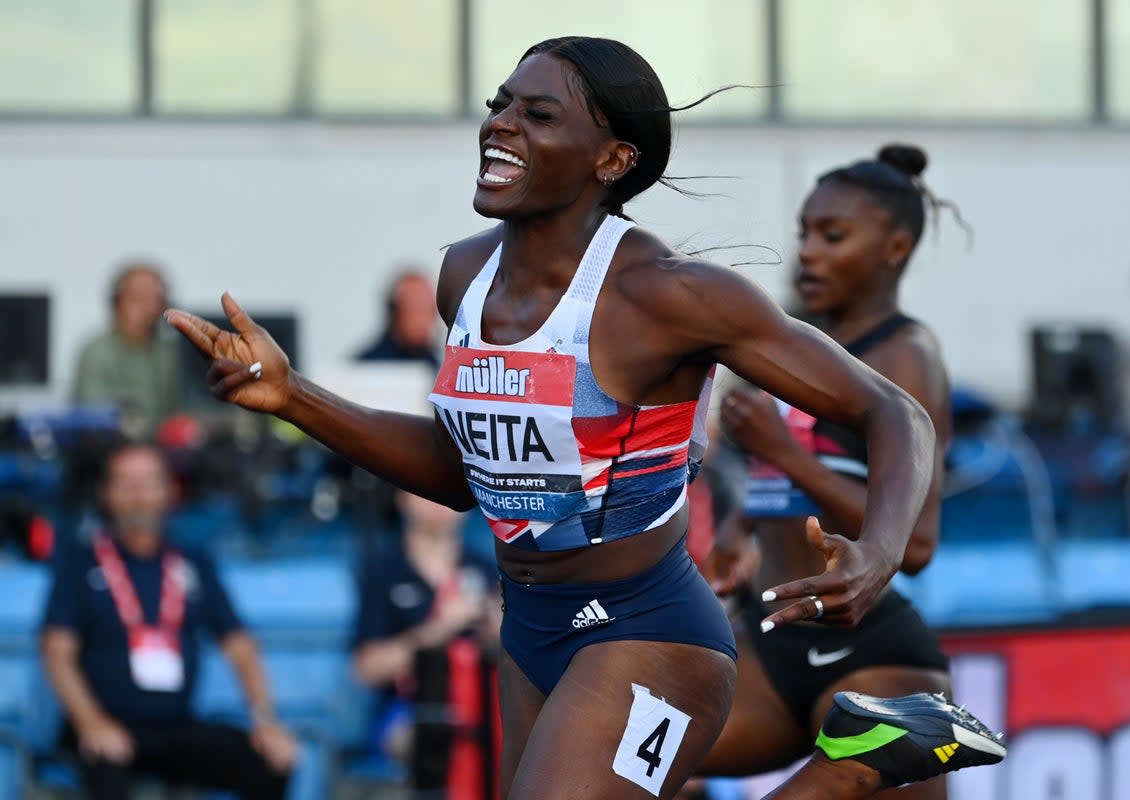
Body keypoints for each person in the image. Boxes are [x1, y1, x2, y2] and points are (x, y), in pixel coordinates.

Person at [167, 37, 1004, 799]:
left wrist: (882, 550)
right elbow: (465, 478)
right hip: (530, 630)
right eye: (499, 104)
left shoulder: (665, 293)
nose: (500, 125)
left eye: (537, 114)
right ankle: (865, 755)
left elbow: (894, 412)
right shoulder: (464, 276)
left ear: (612, 158)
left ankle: (858, 765)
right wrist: (294, 397)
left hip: (649, 631)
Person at [697, 145, 959, 800]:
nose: (809, 252)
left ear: (894, 247)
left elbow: (917, 544)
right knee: (617, 768)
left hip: (877, 657)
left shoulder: (905, 356)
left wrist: (782, 452)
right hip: (773, 643)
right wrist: (741, 521)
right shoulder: (807, 344)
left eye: (832, 236)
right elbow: (794, 472)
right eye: (805, 234)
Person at [40, 442, 296, 799]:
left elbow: (240, 646)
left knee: (270, 761)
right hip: (102, 723)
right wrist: (91, 722)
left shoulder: (193, 563)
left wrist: (266, 722)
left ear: (169, 491)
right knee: (105, 765)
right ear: (106, 493)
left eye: (148, 483)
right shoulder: (78, 564)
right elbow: (57, 652)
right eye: (126, 483)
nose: (138, 496)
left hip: (175, 726)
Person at [352, 491, 501, 797]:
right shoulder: (384, 571)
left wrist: (501, 631)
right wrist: (440, 628)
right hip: (406, 708)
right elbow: (366, 669)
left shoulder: (486, 569)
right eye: (424, 491)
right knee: (424, 738)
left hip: (483, 703)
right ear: (401, 498)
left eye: (444, 488)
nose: (439, 502)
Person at [72, 261, 181, 441]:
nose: (148, 307)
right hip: (112, 447)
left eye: (155, 299)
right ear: (117, 302)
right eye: (138, 298)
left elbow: (182, 412)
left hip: (165, 450)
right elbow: (92, 414)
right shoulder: (97, 351)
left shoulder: (170, 352)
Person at [355, 269, 441, 367]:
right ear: (395, 312)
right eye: (417, 307)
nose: (425, 318)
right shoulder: (366, 368)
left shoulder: (437, 364)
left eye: (430, 309)